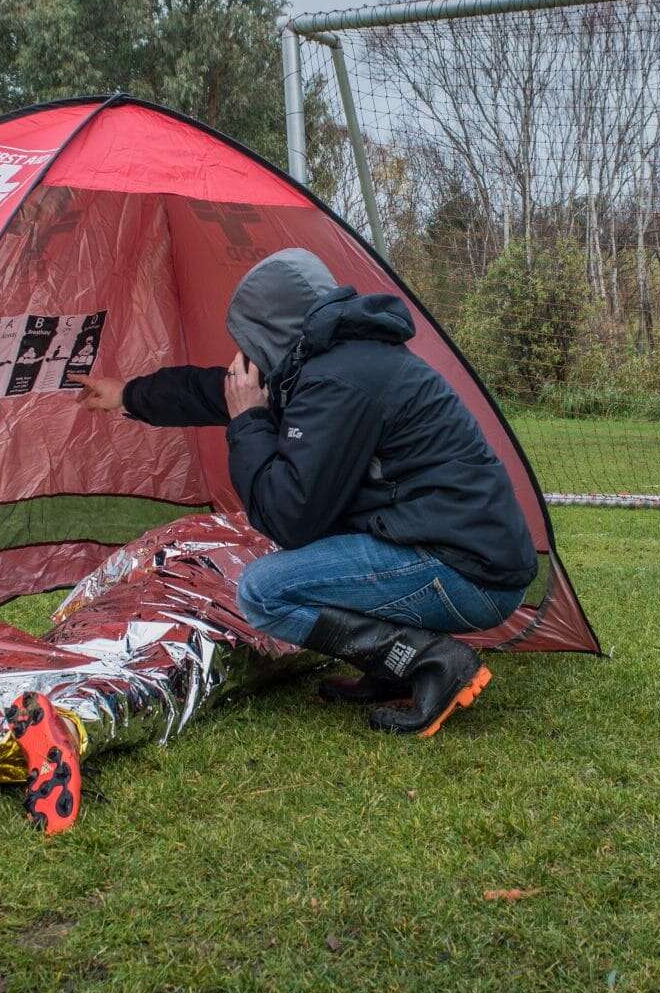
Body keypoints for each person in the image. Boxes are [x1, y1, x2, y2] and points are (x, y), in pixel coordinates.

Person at [76, 248, 535, 737]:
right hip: (462, 554)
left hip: (468, 574)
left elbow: (288, 517)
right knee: (310, 555)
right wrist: (126, 394)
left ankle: (431, 661)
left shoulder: (338, 382)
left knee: (264, 591)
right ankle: (391, 669)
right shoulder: (334, 362)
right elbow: (217, 389)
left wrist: (249, 421)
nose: (245, 355)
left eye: (250, 341)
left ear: (272, 329)